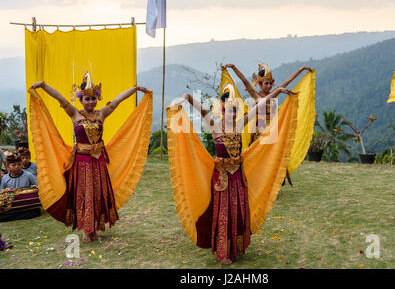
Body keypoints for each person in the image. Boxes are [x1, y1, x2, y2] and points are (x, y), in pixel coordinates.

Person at [168, 84, 297, 264]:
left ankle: (237, 248)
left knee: (238, 213)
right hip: (221, 179)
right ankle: (224, 253)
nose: (234, 114)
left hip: (238, 177)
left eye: (235, 111)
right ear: (222, 112)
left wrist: (278, 92)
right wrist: (185, 98)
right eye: (230, 111)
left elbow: (259, 105)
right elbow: (198, 106)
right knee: (224, 214)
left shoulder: (239, 125)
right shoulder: (214, 126)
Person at [31, 72, 152, 243]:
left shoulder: (101, 114)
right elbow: (60, 99)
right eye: (87, 99)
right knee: (84, 194)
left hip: (98, 161)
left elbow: (117, 101)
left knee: (97, 194)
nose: (91, 102)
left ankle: (94, 229)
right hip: (81, 163)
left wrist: (136, 89)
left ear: (98, 98)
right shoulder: (74, 114)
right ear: (80, 100)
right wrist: (43, 85)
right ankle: (86, 231)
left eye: (93, 98)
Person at [222, 63, 312, 185]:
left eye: (270, 83)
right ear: (260, 84)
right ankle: (258, 184)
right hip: (259, 133)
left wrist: (300, 70)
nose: (268, 86)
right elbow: (244, 80)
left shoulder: (275, 92)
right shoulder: (256, 95)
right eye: (266, 83)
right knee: (260, 159)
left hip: (273, 131)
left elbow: (287, 81)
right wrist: (233, 68)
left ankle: (274, 184)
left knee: (274, 158)